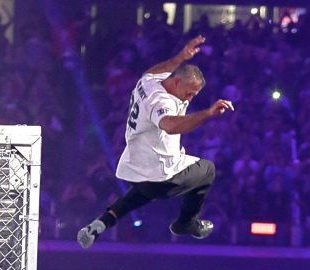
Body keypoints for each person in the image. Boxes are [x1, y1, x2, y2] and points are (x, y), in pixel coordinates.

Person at [77, 36, 234, 248]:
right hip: (161, 177)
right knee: (208, 170)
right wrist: (208, 113)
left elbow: (156, 70)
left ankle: (100, 224)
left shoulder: (148, 82)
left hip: (136, 169)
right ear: (177, 82)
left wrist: (181, 57)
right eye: (189, 93)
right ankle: (186, 223)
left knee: (141, 193)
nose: (189, 100)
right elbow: (169, 124)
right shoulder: (161, 101)